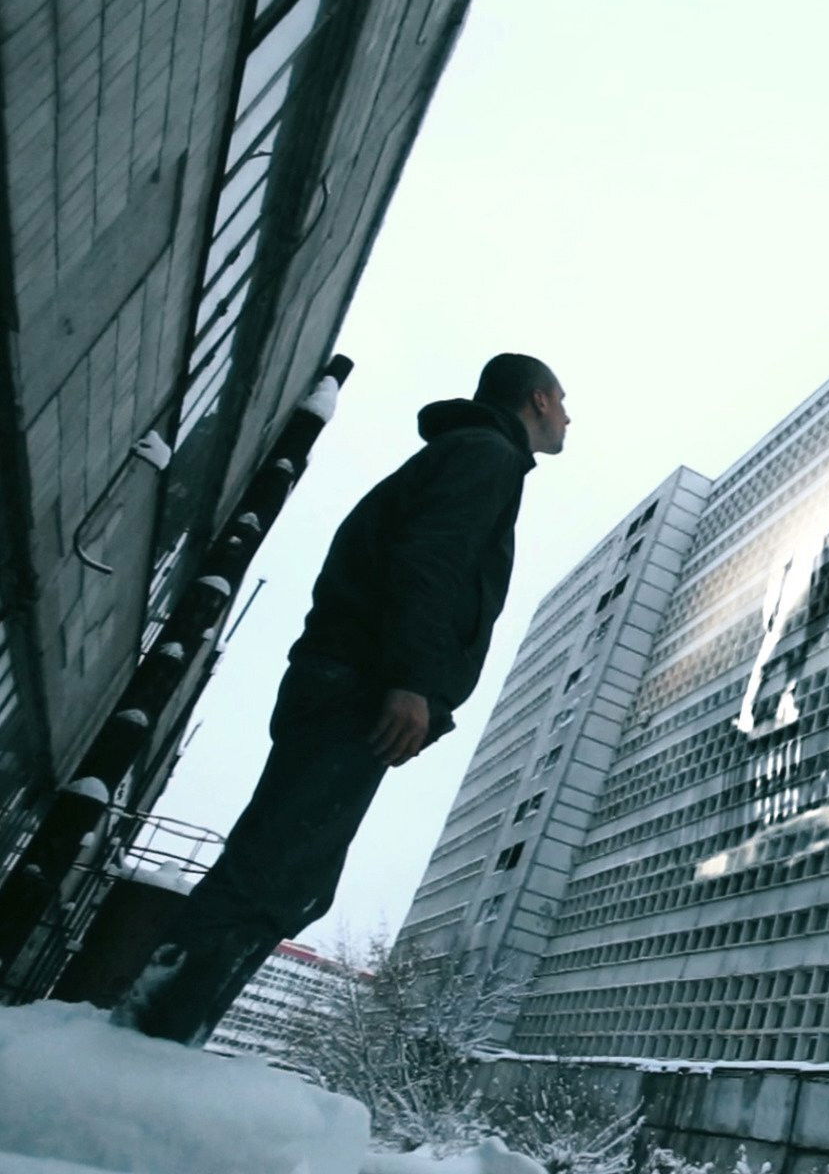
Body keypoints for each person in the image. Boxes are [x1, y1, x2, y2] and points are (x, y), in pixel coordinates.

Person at [113, 353, 569, 1045]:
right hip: (361, 688)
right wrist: (412, 682)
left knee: (293, 872)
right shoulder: (487, 456)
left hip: (346, 681)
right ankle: (144, 1042)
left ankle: (157, 1032)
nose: (569, 417)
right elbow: (431, 562)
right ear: (537, 399)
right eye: (564, 402)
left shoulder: (465, 453)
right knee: (277, 870)